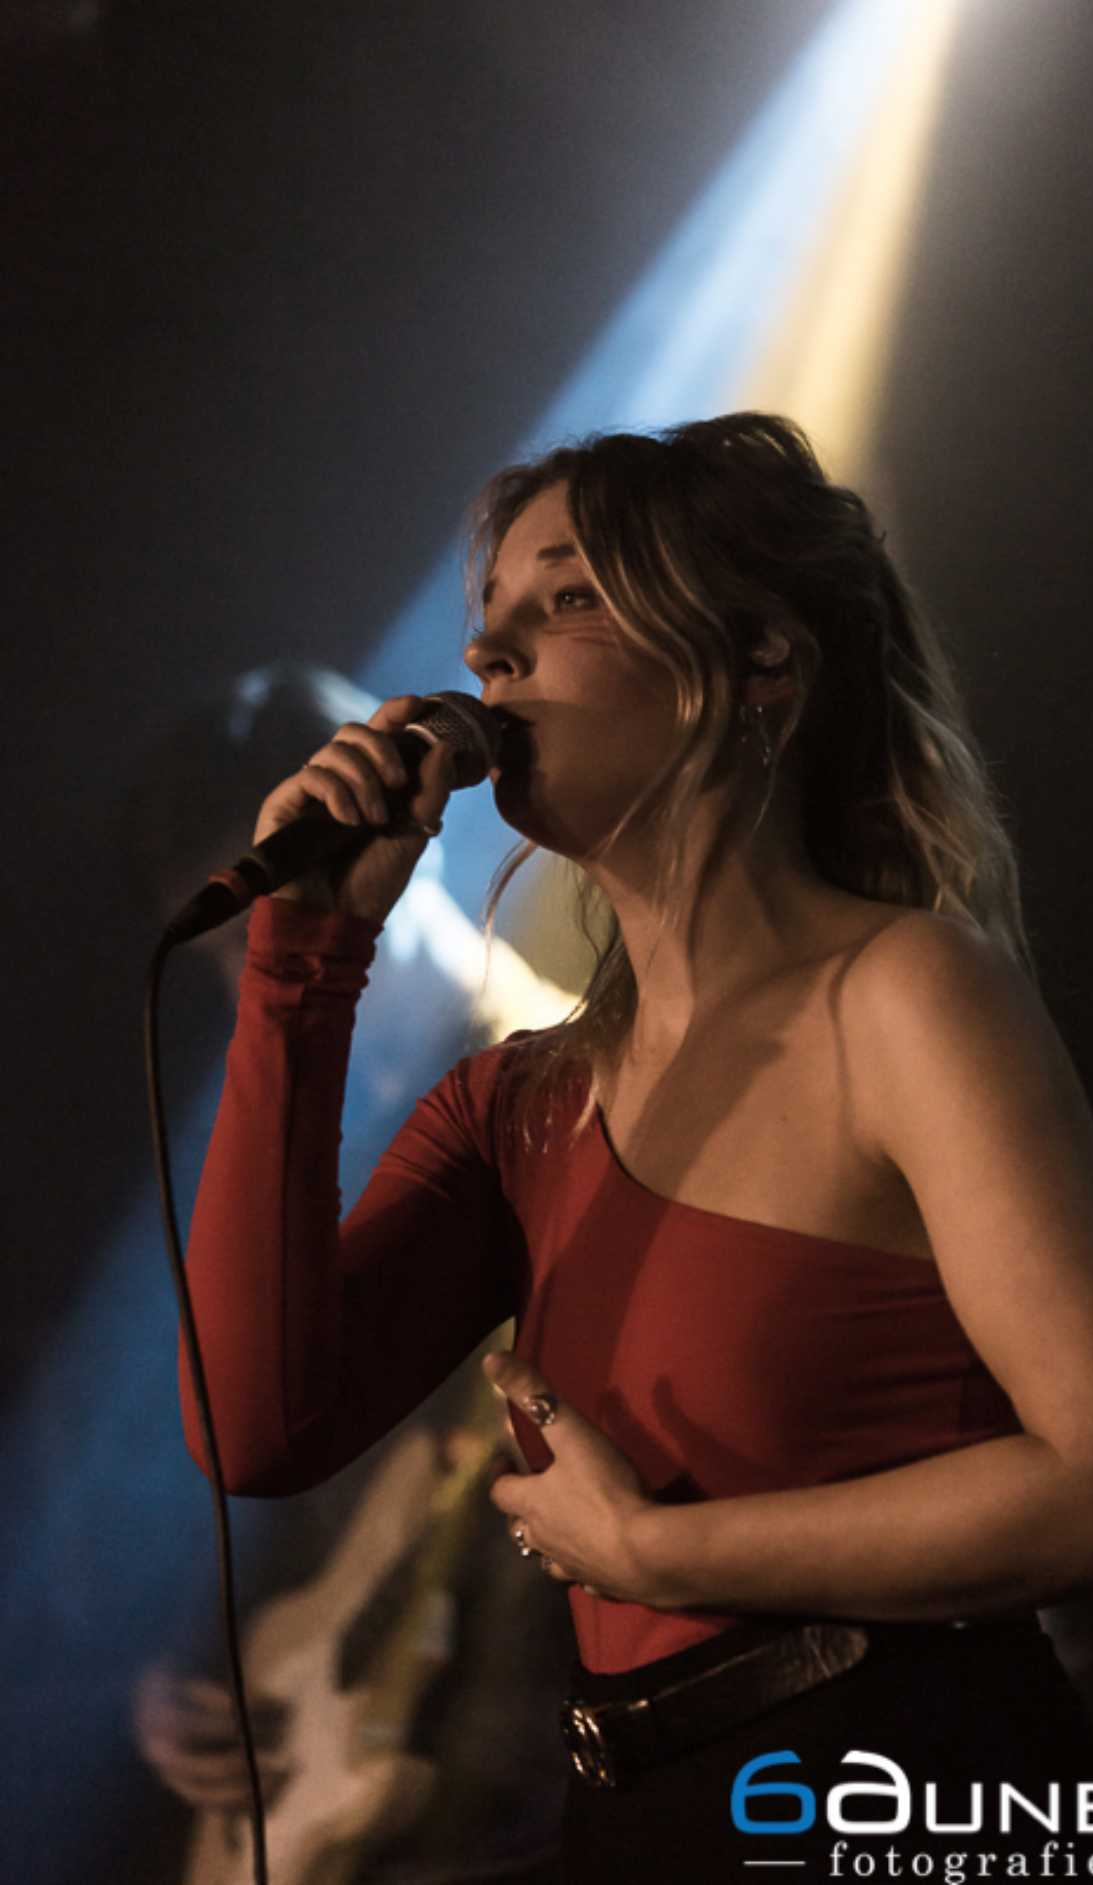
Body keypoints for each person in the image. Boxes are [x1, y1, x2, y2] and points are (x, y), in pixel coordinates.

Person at [179, 414, 1093, 1880]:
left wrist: (660, 1556)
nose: (485, 655)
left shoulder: (904, 993)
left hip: (893, 1779)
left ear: (757, 663)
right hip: (636, 1810)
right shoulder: (518, 1105)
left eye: (567, 596)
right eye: (488, 616)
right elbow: (255, 1427)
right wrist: (304, 963)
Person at [129, 663, 575, 1884]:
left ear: (402, 841)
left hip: (534, 1772)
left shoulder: (562, 1082)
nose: (251, 957)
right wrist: (201, 1672)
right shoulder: (302, 1127)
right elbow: (287, 1481)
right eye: (231, 935)